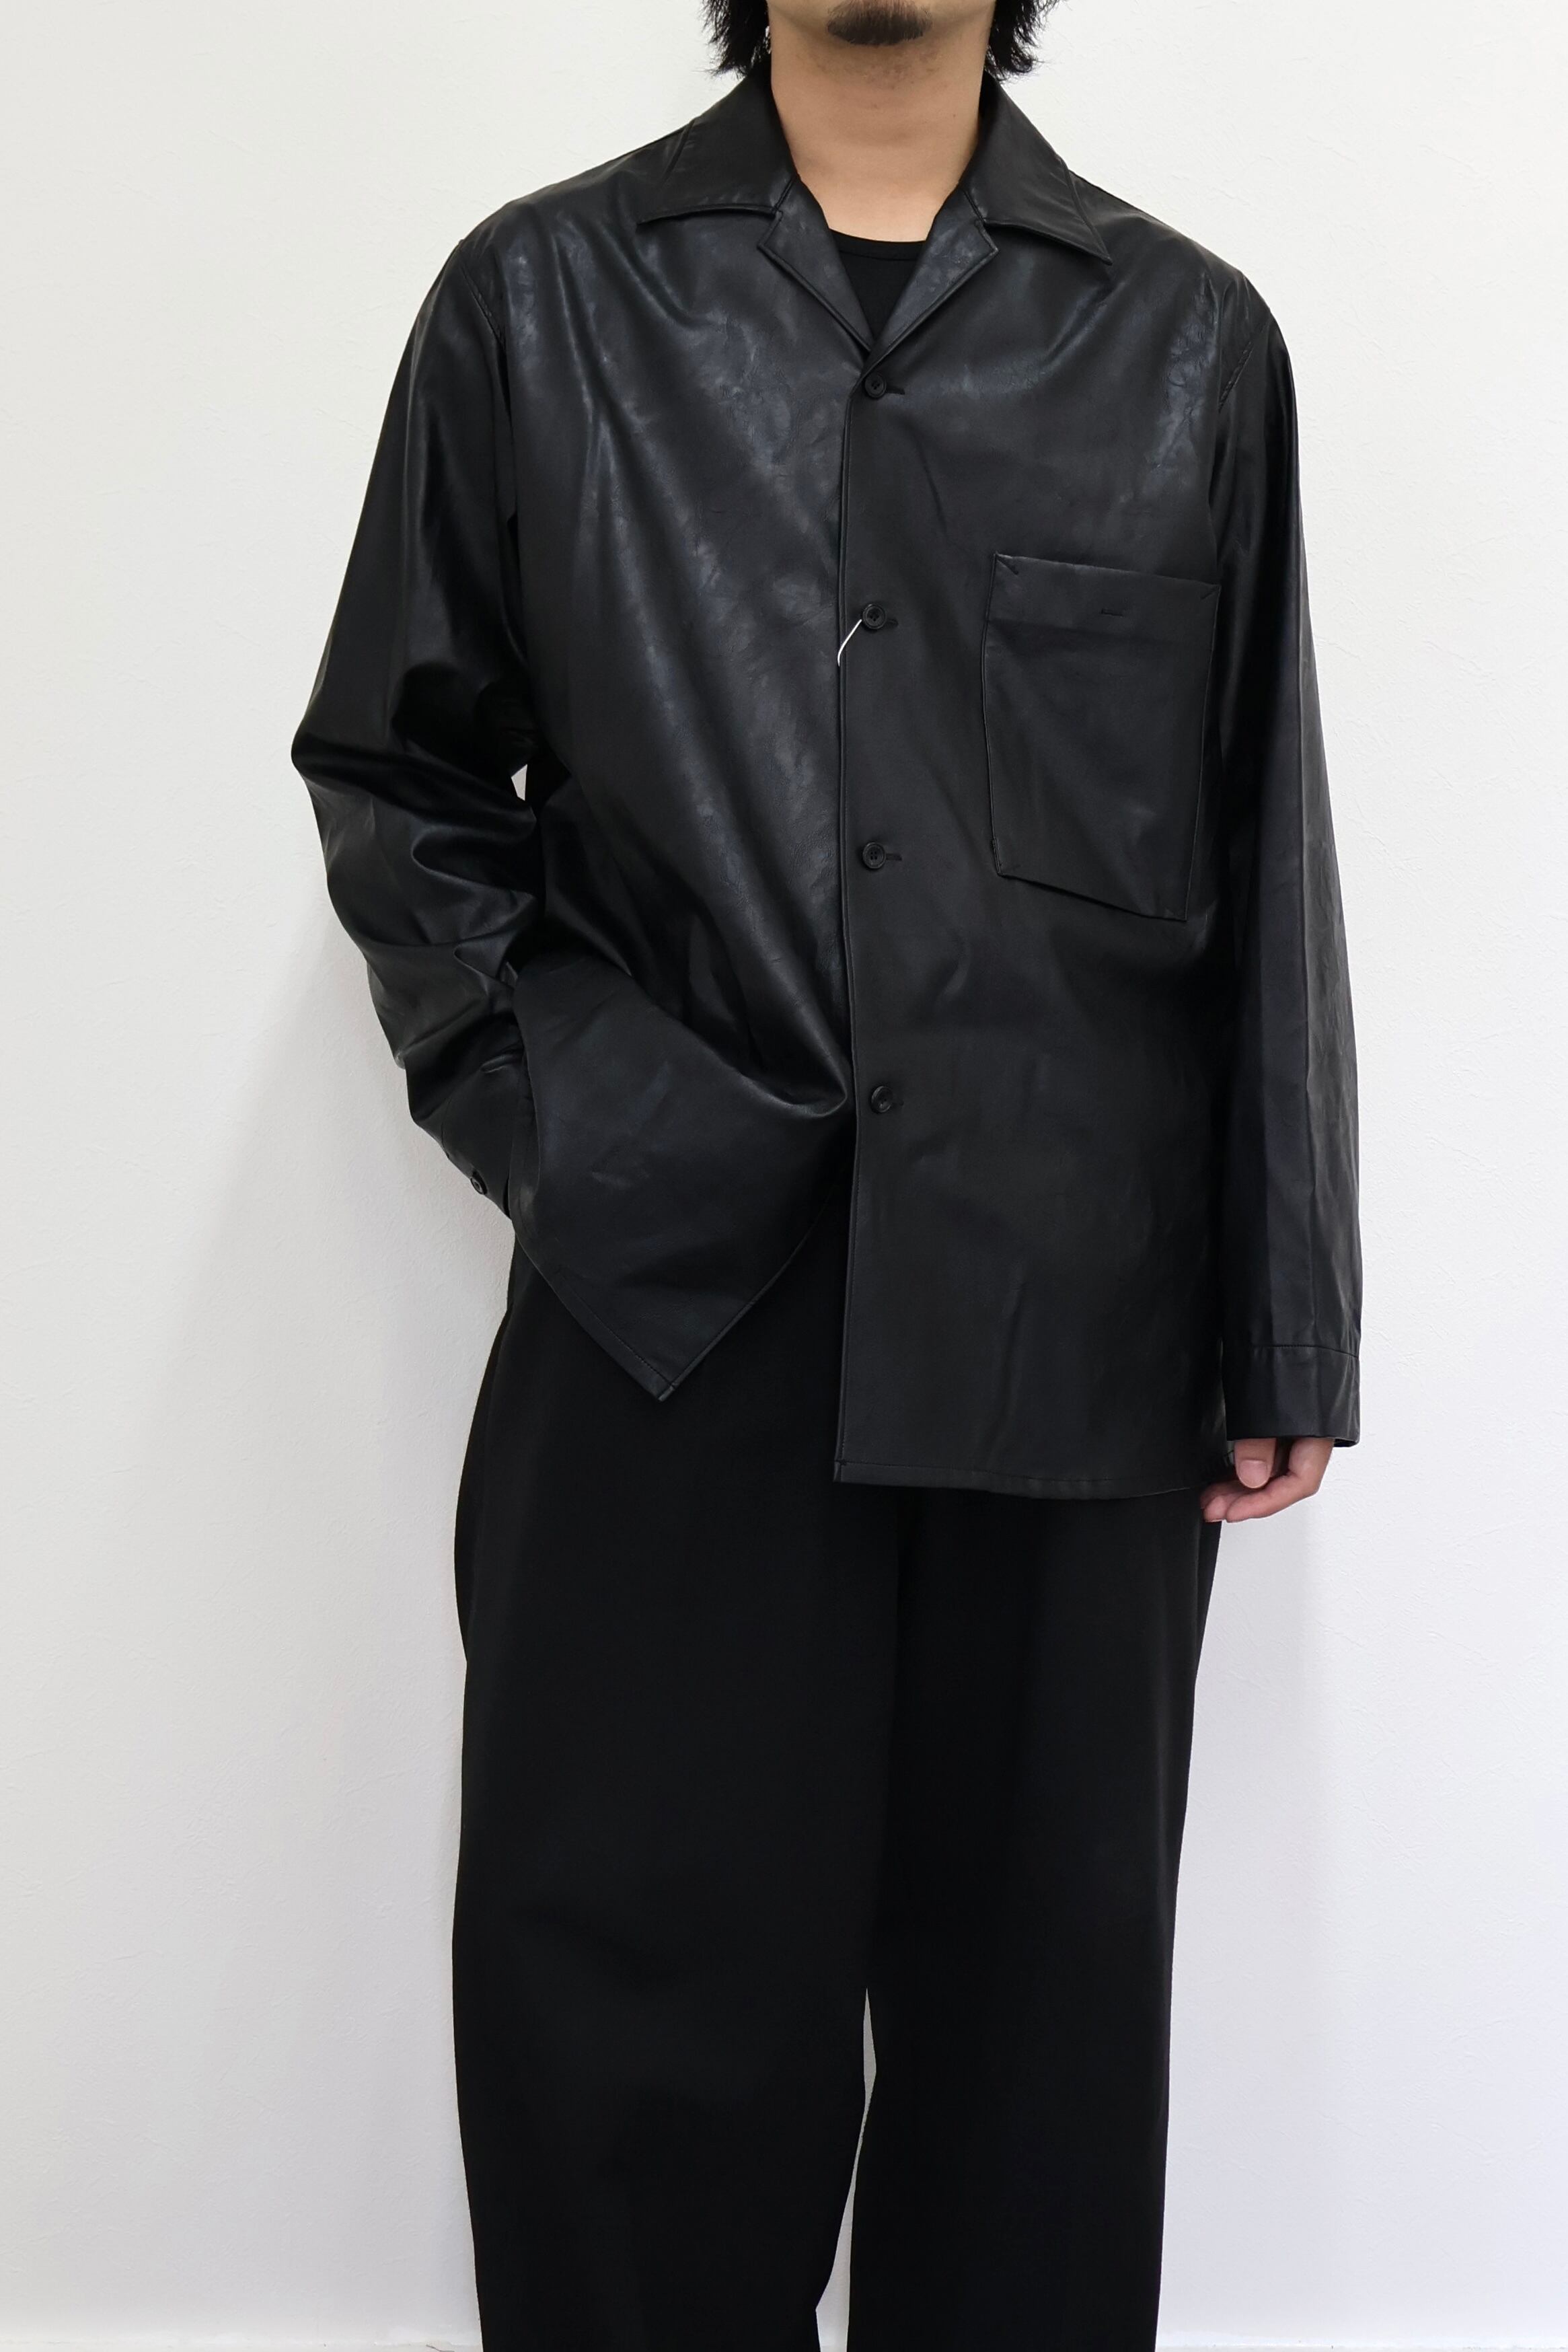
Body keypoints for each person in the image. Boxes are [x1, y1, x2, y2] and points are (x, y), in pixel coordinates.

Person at [291, 0, 1361, 2343]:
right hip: (672, 1336)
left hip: (1071, 1349)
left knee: (1039, 2081)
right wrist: (605, 1147)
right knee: (626, 2065)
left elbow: (1258, 829)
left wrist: (1280, 1309)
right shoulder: (540, 305)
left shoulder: (1183, 342)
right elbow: (402, 784)